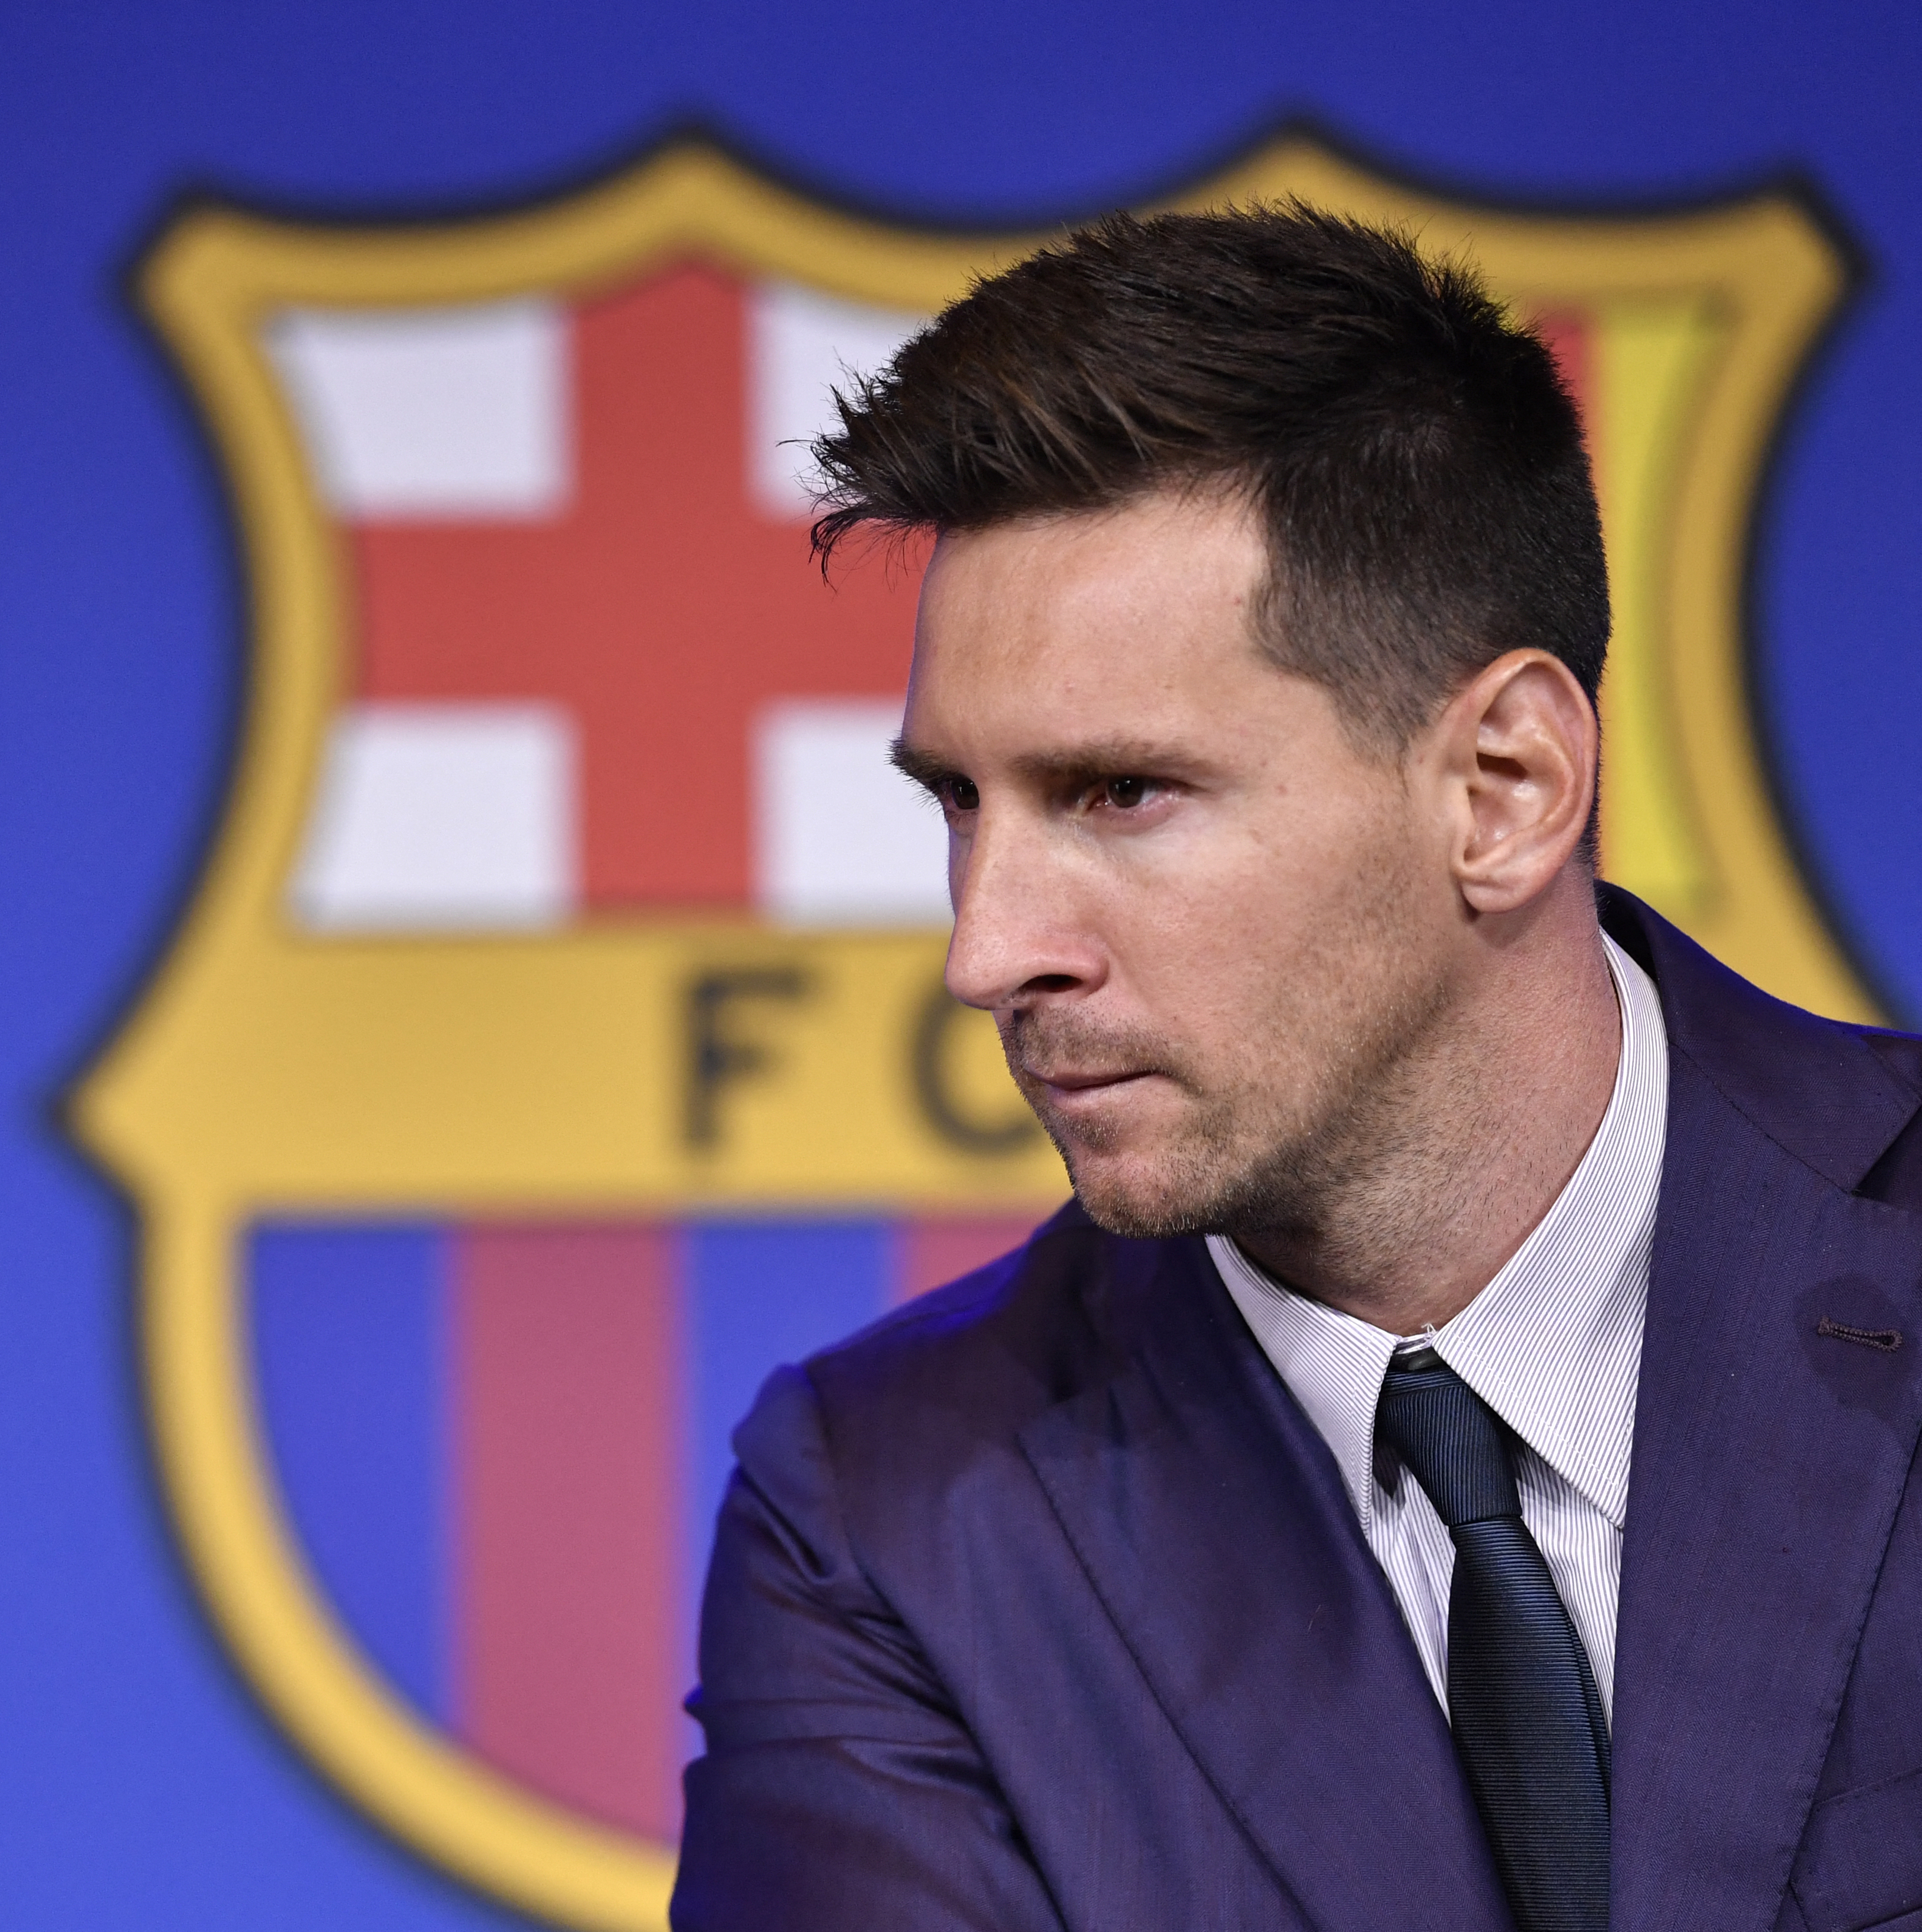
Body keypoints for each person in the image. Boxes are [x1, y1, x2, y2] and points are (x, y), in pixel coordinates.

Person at [671, 206, 1922, 1932]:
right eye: (958, 801)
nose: (985, 949)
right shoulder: (891, 1516)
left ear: (1503, 785)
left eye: (1120, 793)